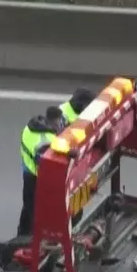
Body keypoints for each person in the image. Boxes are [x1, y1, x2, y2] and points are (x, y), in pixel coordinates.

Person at [17, 88, 94, 237]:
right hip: (33, 175)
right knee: (33, 210)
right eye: (58, 124)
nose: (61, 126)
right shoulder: (43, 139)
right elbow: (45, 156)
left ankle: (25, 235)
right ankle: (30, 241)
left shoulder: (43, 129)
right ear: (52, 122)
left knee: (29, 208)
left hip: (32, 171)